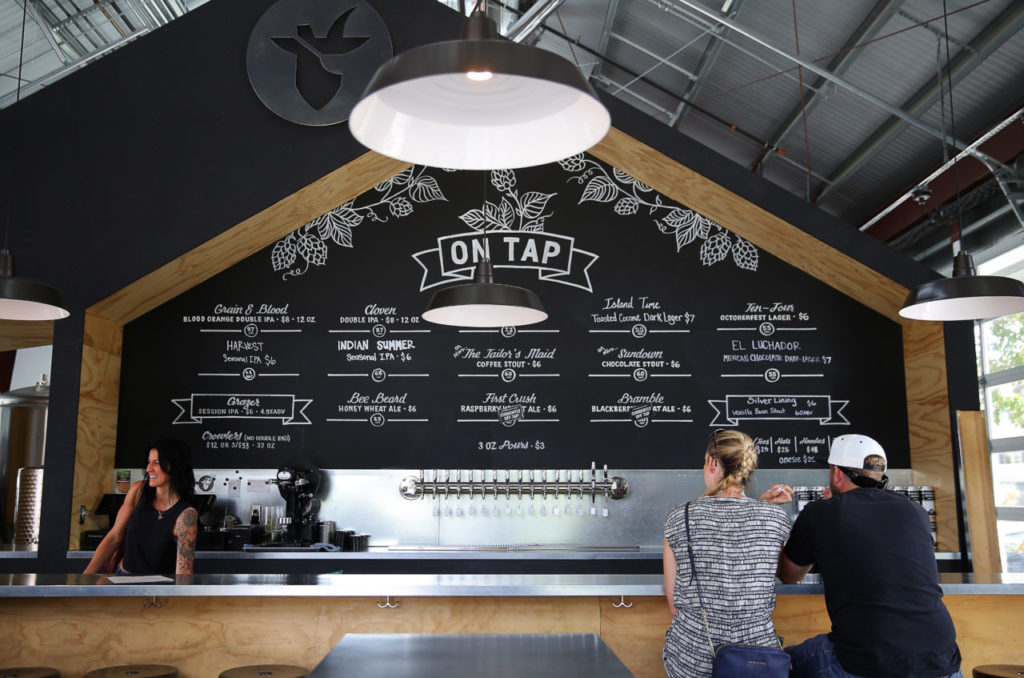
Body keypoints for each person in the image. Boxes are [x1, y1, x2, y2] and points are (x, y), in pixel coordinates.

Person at [777, 434, 962, 678]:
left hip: (866, 661)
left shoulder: (822, 512)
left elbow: (789, 575)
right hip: (943, 661)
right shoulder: (914, 509)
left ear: (837, 473)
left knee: (783, 661)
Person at [662, 429, 794, 678]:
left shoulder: (680, 517)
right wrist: (762, 507)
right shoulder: (776, 517)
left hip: (696, 660)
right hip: (760, 661)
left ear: (712, 463)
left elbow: (674, 605)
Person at [85, 438, 198, 576]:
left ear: (174, 465)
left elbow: (184, 573)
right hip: (122, 577)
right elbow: (114, 536)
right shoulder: (138, 491)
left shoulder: (186, 515)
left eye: (156, 462)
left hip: (155, 589)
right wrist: (84, 579)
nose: (148, 468)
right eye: (149, 462)